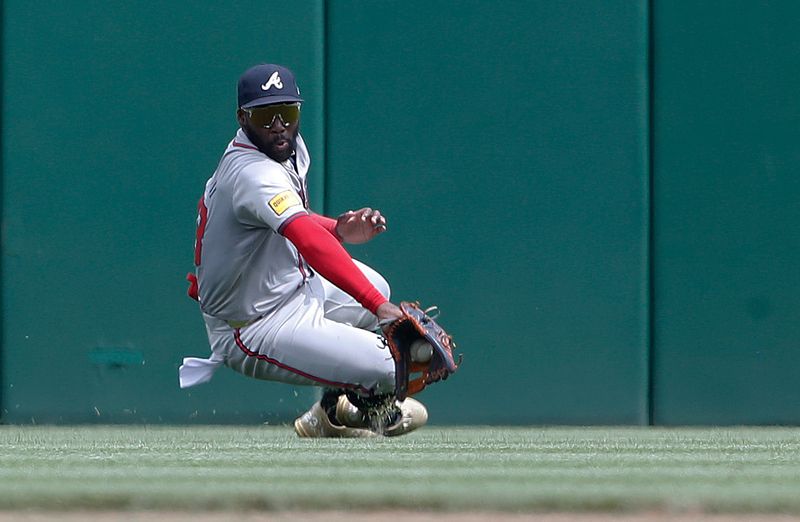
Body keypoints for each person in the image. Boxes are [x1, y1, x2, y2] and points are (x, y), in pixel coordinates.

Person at [178, 63, 427, 437]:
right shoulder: (251, 172)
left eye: (288, 112)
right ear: (242, 117)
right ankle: (363, 406)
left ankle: (331, 412)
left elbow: (292, 219)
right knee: (393, 368)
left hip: (291, 289)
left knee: (377, 286)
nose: (278, 124)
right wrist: (378, 305)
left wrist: (339, 228)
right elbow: (307, 241)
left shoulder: (286, 150)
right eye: (264, 114)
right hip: (254, 324)